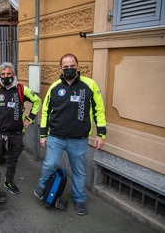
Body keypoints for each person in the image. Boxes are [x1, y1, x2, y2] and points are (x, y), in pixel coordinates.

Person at [33, 53, 107, 216]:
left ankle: (79, 199)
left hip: (78, 139)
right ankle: (42, 184)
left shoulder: (90, 85)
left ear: (77, 66)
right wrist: (43, 134)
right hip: (56, 137)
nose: (69, 69)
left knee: (79, 171)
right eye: (65, 67)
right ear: (61, 68)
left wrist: (101, 134)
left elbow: (99, 110)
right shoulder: (54, 87)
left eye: (72, 66)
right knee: (50, 164)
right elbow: (45, 111)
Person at [0, 62, 41, 197]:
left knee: (13, 158)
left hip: (17, 132)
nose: (6, 76)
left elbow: (37, 101)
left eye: (9, 74)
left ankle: (9, 181)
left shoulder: (22, 89)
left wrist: (29, 119)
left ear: (14, 75)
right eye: (3, 74)